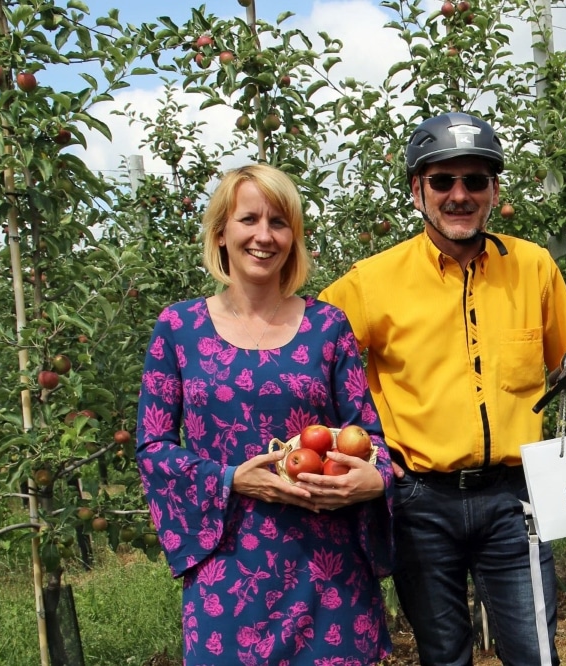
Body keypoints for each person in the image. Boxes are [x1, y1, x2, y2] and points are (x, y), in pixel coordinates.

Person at [319, 112, 566, 666]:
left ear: (494, 191)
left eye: (475, 181)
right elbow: (310, 357)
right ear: (417, 191)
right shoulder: (372, 281)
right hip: (419, 500)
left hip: (515, 499)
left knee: (536, 651)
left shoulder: (532, 267)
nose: (458, 195)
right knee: (444, 655)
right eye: (442, 181)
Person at [134, 163, 395, 665]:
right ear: (221, 233)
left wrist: (375, 478)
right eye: (248, 219)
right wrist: (232, 479)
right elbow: (152, 448)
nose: (264, 235)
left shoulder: (328, 325)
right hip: (228, 575)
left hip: (329, 570)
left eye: (279, 223)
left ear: (293, 239)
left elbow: (370, 436)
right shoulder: (178, 327)